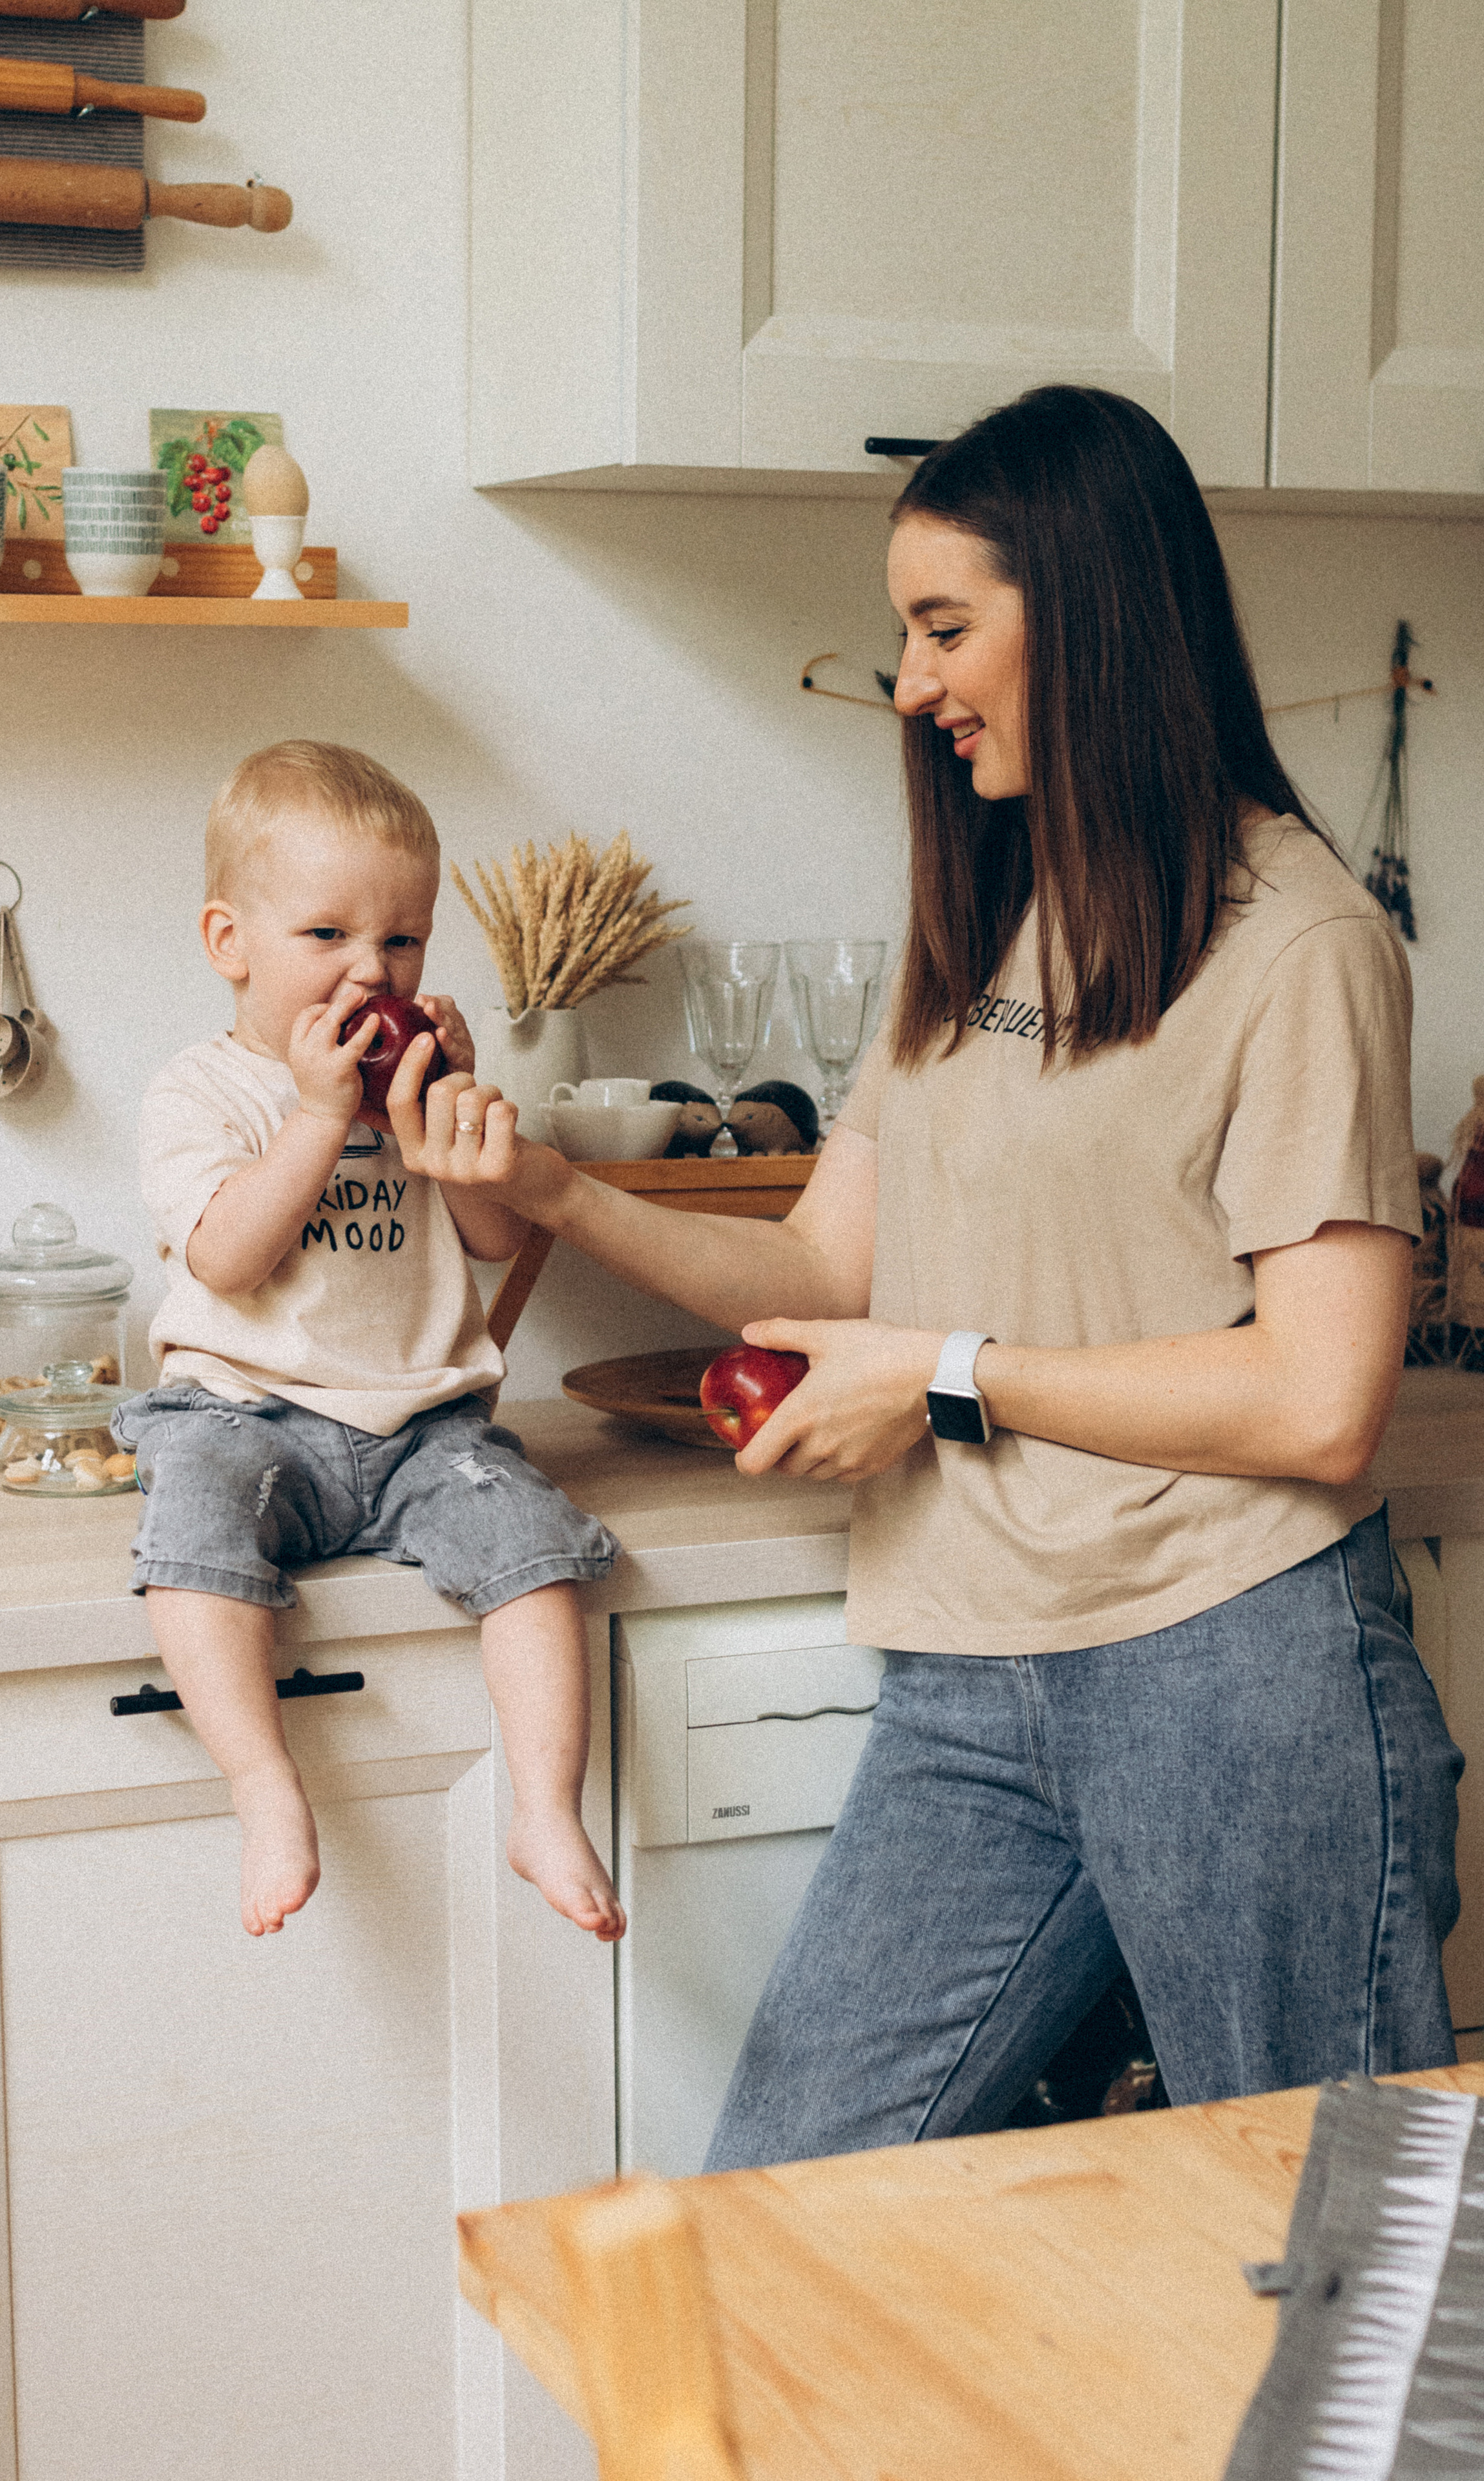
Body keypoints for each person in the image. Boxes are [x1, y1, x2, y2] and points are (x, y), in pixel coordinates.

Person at [390, 387, 1464, 2164]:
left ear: (1097, 617)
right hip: (975, 1675)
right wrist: (558, 1190)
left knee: (1342, 2262)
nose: (908, 682)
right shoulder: (986, 916)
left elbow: (1320, 1397)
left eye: (946, 628)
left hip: (1237, 1678)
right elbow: (827, 1264)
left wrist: (947, 1373)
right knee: (784, 2206)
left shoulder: (1305, 947)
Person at [111, 740, 623, 1943]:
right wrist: (322, 1115)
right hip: (242, 1411)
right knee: (190, 1544)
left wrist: (454, 1109)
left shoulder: (415, 1087)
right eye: (327, 938)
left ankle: (544, 1807)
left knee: (537, 1559)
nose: (369, 972)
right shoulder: (202, 1094)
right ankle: (265, 1789)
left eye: (401, 942)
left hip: (423, 1422)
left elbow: (495, 1237)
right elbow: (230, 1258)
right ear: (228, 944)